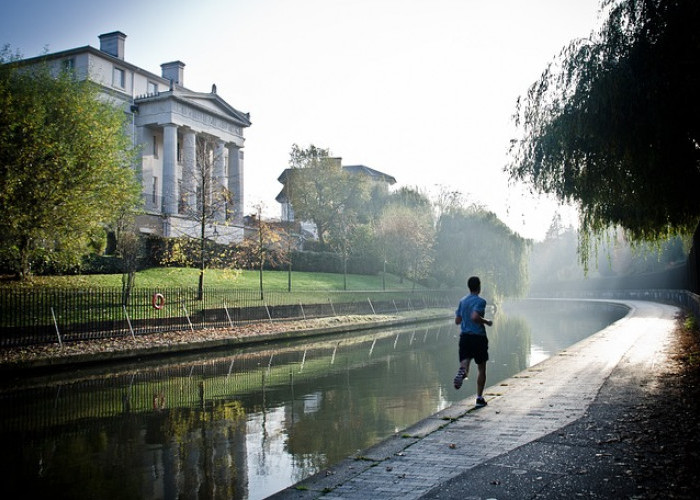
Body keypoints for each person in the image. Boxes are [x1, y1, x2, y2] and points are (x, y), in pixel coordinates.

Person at [453, 276, 492, 408]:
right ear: (479, 287)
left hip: (465, 337)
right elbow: (475, 316)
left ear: (469, 287)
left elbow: (457, 320)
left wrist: (465, 318)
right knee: (481, 368)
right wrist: (486, 321)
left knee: (465, 364)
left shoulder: (462, 301)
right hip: (478, 337)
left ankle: (462, 372)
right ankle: (479, 398)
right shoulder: (481, 301)